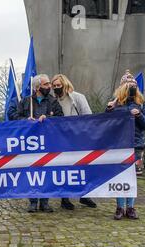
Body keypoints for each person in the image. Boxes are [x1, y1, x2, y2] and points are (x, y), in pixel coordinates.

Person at [14, 74, 64, 213]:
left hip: (48, 142)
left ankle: (45, 201)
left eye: (49, 84)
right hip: (31, 143)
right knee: (32, 171)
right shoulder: (26, 101)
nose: (49, 86)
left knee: (46, 171)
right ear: (37, 87)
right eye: (46, 84)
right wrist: (26, 119)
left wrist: (48, 118)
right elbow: (15, 117)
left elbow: (61, 117)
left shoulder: (53, 101)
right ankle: (33, 201)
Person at [106, 70, 145, 220]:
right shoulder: (115, 102)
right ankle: (120, 207)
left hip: (136, 145)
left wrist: (138, 114)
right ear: (122, 87)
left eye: (133, 85)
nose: (131, 88)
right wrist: (109, 109)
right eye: (128, 85)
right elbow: (105, 124)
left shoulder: (141, 103)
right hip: (119, 145)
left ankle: (131, 208)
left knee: (132, 177)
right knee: (120, 176)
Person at [51, 74, 98, 210]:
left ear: (65, 84)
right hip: (60, 138)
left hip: (78, 137)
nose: (56, 88)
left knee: (83, 166)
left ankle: (85, 195)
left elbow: (87, 116)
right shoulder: (53, 100)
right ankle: (65, 198)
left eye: (58, 85)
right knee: (64, 167)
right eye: (54, 86)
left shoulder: (77, 97)